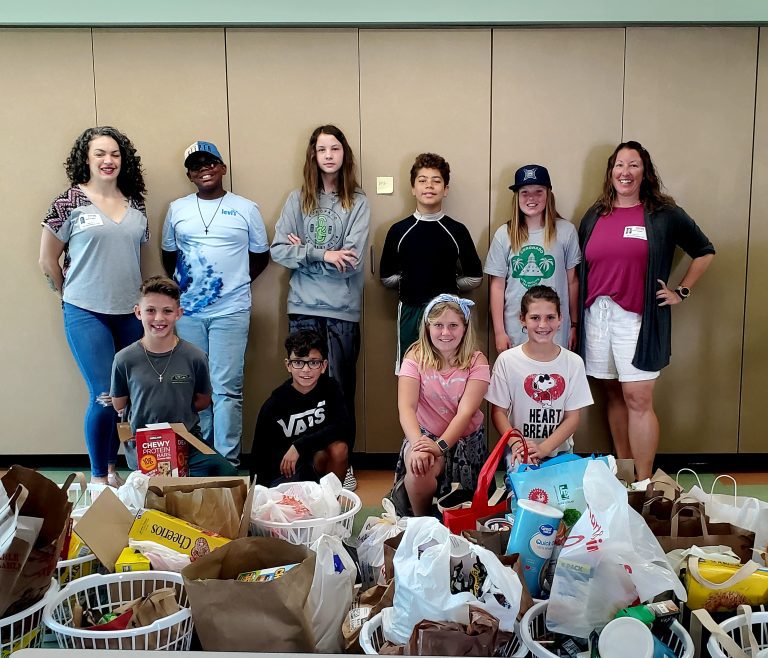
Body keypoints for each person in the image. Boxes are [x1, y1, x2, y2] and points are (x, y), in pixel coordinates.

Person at [576, 141, 715, 483]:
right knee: (612, 393)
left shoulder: (664, 214)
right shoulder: (595, 214)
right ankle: (625, 475)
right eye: (619, 165)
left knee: (637, 397)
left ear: (645, 172)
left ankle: (643, 481)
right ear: (611, 172)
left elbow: (704, 250)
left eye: (633, 165)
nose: (625, 172)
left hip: (638, 318)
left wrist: (681, 291)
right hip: (597, 316)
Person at [39, 126, 149, 486]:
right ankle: (99, 478)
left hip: (129, 314)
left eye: (115, 154)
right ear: (86, 159)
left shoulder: (136, 204)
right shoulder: (68, 202)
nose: (108, 160)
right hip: (85, 312)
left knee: (124, 397)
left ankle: (115, 468)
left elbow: (139, 258)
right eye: (99, 153)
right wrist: (68, 294)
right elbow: (47, 260)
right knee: (103, 394)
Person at [270, 124, 370, 490]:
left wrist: (303, 253)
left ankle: (343, 463)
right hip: (302, 307)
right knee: (304, 388)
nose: (329, 155)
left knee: (339, 390)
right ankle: (306, 464)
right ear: (313, 155)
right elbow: (278, 250)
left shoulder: (357, 202)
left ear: (345, 155)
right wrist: (323, 253)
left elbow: (353, 262)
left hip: (342, 310)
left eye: (335, 148)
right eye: (322, 149)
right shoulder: (297, 199)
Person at [162, 140, 270, 467]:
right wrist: (190, 290)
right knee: (197, 389)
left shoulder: (246, 208)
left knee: (226, 389)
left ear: (222, 167)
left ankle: (226, 463)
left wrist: (233, 285)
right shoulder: (177, 209)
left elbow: (260, 256)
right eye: (196, 166)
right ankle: (202, 457)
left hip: (232, 312)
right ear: (189, 175)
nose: (204, 170)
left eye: (210, 163)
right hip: (190, 314)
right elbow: (169, 256)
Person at [110, 276, 237, 477]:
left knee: (227, 475)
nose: (159, 318)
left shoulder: (195, 356)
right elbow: (119, 404)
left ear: (179, 313)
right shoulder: (124, 359)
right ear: (138, 312)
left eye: (167, 311)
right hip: (145, 448)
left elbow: (202, 401)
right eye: (150, 310)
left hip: (188, 444)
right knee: (156, 491)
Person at [379, 153, 483, 369]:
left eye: (436, 181)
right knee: (411, 371)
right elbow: (387, 278)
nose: (429, 186)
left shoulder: (457, 230)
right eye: (422, 180)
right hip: (411, 312)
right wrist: (411, 279)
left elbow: (475, 278)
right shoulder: (398, 230)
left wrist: (449, 286)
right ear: (413, 188)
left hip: (448, 316)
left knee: (448, 371)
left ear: (445, 189)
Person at [392, 294, 490, 516]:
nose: (446, 332)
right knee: (420, 466)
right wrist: (419, 446)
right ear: (427, 328)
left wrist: (440, 447)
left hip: (464, 440)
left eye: (453, 325)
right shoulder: (415, 357)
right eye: (438, 325)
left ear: (465, 328)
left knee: (467, 513)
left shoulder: (477, 361)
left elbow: (465, 413)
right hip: (424, 435)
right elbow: (406, 407)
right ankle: (421, 519)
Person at [486, 286, 593, 463]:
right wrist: (518, 445)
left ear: (560, 319)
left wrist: (544, 448)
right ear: (522, 319)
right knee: (522, 480)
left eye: (550, 317)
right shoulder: (507, 361)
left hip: (559, 452)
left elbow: (572, 418)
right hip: (519, 450)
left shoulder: (573, 363)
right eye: (535, 318)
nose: (543, 325)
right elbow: (498, 413)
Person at [485, 165, 580, 352]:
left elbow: (572, 282)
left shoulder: (566, 231)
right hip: (515, 327)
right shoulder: (504, 234)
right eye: (525, 192)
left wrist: (574, 324)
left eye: (539, 192)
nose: (531, 198)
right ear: (517, 197)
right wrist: (499, 332)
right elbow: (497, 286)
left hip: (555, 327)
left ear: (548, 195)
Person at [249, 329, 353, 487]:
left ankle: (331, 499)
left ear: (324, 366)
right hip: (285, 472)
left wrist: (299, 446)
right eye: (298, 362)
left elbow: (343, 426)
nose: (306, 369)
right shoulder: (274, 404)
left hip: (314, 462)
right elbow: (259, 455)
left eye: (313, 362)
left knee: (339, 449)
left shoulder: (331, 388)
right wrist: (259, 492)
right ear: (288, 365)